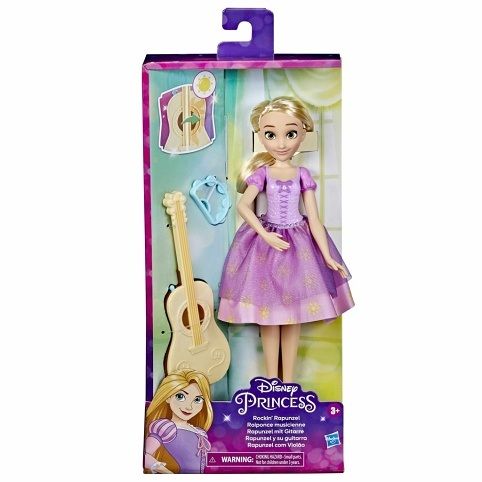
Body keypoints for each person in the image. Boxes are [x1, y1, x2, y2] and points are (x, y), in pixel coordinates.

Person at [218, 96, 354, 382]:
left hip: (298, 247)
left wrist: (328, 256)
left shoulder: (302, 174)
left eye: (290, 134)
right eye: (271, 135)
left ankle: (288, 382)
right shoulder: (262, 174)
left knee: (294, 317)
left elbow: (314, 219)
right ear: (260, 136)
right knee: (268, 318)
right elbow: (244, 205)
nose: (281, 143)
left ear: (303, 133)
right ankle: (271, 381)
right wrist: (264, 233)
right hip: (265, 248)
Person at [144, 369, 213, 474]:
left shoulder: (200, 432)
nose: (189, 407)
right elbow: (145, 455)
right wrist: (166, 472)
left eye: (197, 400)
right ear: (168, 397)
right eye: (180, 396)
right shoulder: (166, 427)